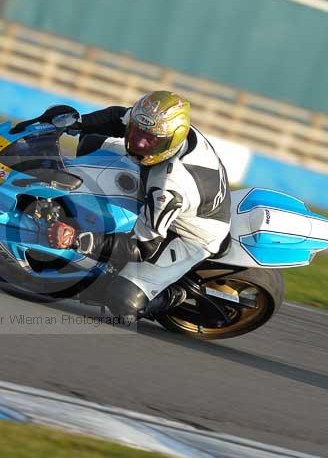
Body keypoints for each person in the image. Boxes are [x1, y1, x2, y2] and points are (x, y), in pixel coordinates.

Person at [46, 91, 231, 320]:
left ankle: (175, 294)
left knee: (123, 301)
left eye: (150, 139)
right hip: (162, 189)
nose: (139, 143)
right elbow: (116, 117)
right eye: (136, 132)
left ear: (171, 140)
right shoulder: (164, 130)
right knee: (91, 140)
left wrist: (80, 240)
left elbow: (144, 248)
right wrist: (76, 123)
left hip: (190, 236)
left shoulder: (169, 187)